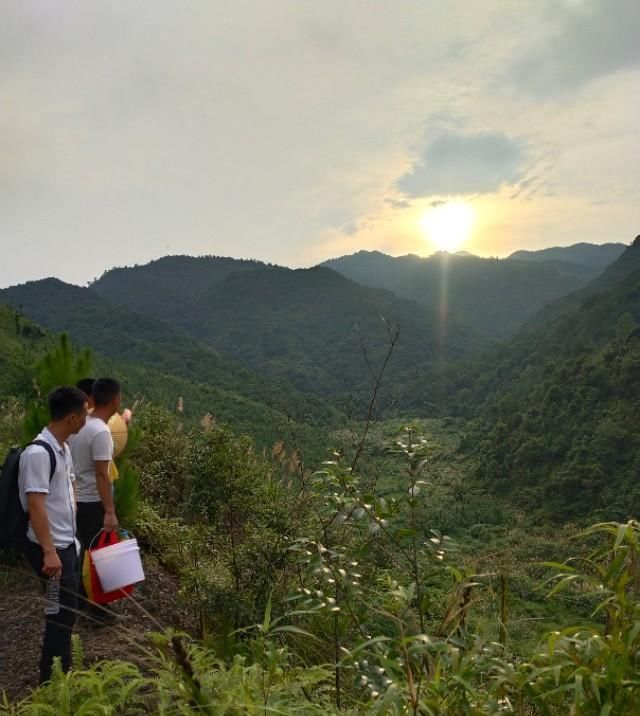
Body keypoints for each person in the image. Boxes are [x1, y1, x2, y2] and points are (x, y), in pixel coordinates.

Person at [19, 386, 88, 684]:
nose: (86, 419)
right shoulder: (38, 453)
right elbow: (35, 505)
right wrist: (49, 552)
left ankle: (63, 671)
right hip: (52, 551)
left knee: (66, 612)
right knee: (59, 615)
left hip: (66, 545)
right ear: (73, 418)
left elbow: (67, 487)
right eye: (84, 413)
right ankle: (52, 683)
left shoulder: (63, 447)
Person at [69, 378, 121, 615]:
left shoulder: (82, 425)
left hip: (76, 499)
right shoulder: (100, 432)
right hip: (92, 502)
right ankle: (99, 610)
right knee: (100, 556)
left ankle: (80, 600)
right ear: (115, 400)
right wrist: (109, 511)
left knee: (83, 554)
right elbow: (102, 474)